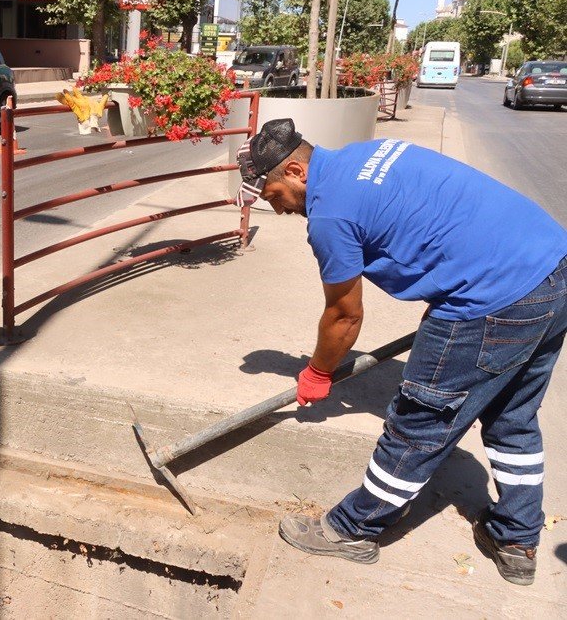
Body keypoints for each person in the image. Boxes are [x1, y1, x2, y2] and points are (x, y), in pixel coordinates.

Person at [236, 118, 567, 586]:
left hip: (489, 298)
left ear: (295, 171)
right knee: (512, 417)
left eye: (273, 197)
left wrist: (317, 371)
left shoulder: (330, 215)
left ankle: (352, 529)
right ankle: (517, 540)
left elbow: (344, 318)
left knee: (418, 422)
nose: (279, 210)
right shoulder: (368, 152)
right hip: (552, 265)